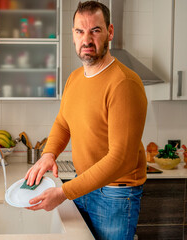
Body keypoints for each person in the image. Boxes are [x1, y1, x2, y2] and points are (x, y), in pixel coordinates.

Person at [24, 1, 147, 239]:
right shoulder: (75, 78)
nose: (87, 39)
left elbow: (120, 159)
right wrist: (49, 154)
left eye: (95, 30)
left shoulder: (124, 83)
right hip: (84, 186)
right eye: (80, 31)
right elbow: (63, 122)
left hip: (115, 195)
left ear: (110, 32)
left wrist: (64, 193)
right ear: (73, 35)